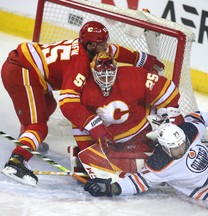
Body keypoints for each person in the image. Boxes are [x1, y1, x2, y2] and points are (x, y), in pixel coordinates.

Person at [0, 21, 164, 186]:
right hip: (22, 71)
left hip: (26, 68)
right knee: (38, 126)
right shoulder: (79, 63)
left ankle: (28, 139)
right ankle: (17, 161)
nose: (106, 46)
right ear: (91, 46)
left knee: (48, 106)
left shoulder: (91, 48)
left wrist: (139, 59)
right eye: (102, 44)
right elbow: (68, 104)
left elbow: (114, 50)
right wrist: (95, 126)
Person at [83, 96, 208, 216]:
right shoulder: (159, 164)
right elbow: (137, 183)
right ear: (164, 148)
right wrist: (110, 188)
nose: (181, 149)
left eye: (182, 144)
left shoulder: (187, 131)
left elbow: (202, 119)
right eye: (175, 149)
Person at [69, 51, 183, 179]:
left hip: (144, 128)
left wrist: (175, 122)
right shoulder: (85, 90)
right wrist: (87, 149)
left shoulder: (132, 76)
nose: (106, 79)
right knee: (86, 129)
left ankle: (176, 148)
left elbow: (166, 90)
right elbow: (78, 120)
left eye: (110, 74)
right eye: (101, 75)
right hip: (112, 139)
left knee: (167, 118)